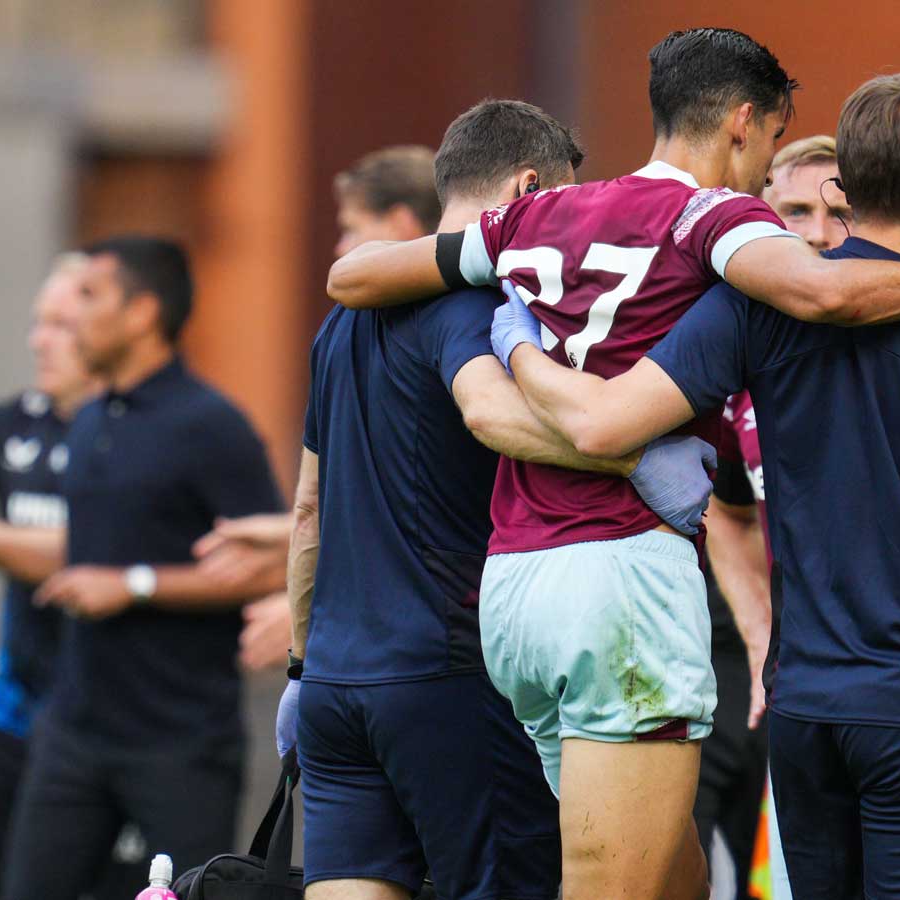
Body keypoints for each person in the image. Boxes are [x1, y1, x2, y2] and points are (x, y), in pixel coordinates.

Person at [325, 29, 900, 900]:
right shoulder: (716, 218)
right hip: (620, 579)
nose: (768, 167)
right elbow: (824, 291)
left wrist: (508, 331)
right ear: (742, 122)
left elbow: (352, 277)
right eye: (773, 139)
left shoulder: (542, 213)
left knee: (670, 871)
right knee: (616, 882)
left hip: (513, 588)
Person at [491, 67, 900, 900]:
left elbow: (605, 422)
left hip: (805, 712)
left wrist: (516, 345)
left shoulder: (749, 311)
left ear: (849, 185)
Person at [286, 98, 714, 900]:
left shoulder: (339, 326)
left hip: (337, 689)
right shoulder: (474, 303)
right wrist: (635, 462)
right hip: (443, 676)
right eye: (557, 204)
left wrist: (302, 667)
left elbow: (309, 509)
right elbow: (488, 411)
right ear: (525, 188)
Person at [0, 237, 286, 895]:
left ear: (141, 313)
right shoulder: (91, 415)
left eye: (92, 296)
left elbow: (272, 567)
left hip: (181, 743)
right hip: (71, 735)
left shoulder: (212, 425)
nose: (72, 317)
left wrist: (134, 585)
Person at [205, 146, 447, 673]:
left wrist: (307, 620)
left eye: (352, 227)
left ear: (401, 223)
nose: (340, 247)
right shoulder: (355, 330)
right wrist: (280, 538)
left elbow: (419, 512)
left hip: (410, 653)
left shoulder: (425, 336)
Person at [0, 255, 150, 898]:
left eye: (62, 325)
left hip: (116, 727)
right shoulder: (9, 424)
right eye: (39, 323)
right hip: (11, 713)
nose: (39, 340)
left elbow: (105, 547)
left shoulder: (148, 433)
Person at [697, 134, 846, 900]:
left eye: (839, 212)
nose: (818, 234)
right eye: (794, 211)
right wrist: (762, 639)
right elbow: (727, 515)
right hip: (790, 690)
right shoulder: (740, 358)